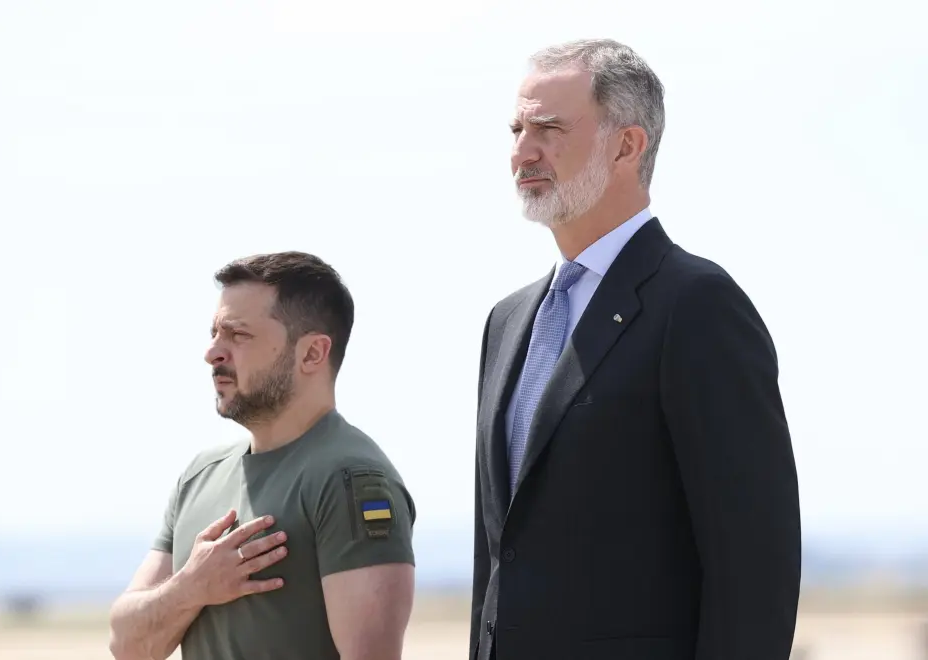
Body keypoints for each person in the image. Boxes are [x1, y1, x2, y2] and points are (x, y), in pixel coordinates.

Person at [469, 38, 802, 660]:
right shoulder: (507, 321)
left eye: (547, 127)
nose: (522, 150)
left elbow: (756, 566)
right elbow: (497, 556)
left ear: (627, 145)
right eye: (516, 128)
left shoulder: (698, 305)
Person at [108, 251, 417, 660]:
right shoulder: (201, 476)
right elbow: (127, 644)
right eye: (215, 333)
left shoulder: (351, 480)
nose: (213, 352)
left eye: (238, 335)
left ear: (311, 354)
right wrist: (191, 587)